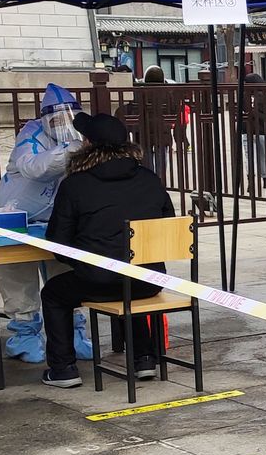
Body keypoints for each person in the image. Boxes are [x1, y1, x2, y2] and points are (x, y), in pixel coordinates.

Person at [39, 113, 176, 387]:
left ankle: (64, 369)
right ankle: (144, 358)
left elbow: (58, 243)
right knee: (130, 278)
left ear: (88, 144)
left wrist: (85, 261)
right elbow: (168, 227)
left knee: (53, 293)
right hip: (149, 280)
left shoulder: (75, 185)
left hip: (99, 280)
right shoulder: (150, 179)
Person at [0, 84, 90, 362]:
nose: (64, 125)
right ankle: (25, 335)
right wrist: (71, 150)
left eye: (69, 119)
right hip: (14, 215)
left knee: (64, 270)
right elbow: (34, 167)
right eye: (57, 120)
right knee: (17, 276)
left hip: (54, 218)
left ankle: (73, 333)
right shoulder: (31, 133)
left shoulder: (82, 135)